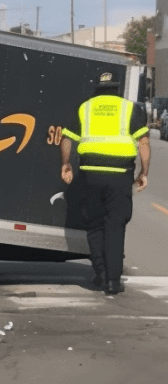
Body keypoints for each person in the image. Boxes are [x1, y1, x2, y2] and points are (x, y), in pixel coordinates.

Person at [60, 71, 150, 295]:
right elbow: (144, 142)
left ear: (98, 89)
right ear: (117, 90)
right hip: (119, 175)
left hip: (90, 174)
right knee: (115, 226)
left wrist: (66, 164)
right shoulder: (130, 109)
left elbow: (66, 137)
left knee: (95, 225)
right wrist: (144, 172)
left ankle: (100, 274)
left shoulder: (85, 108)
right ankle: (112, 281)